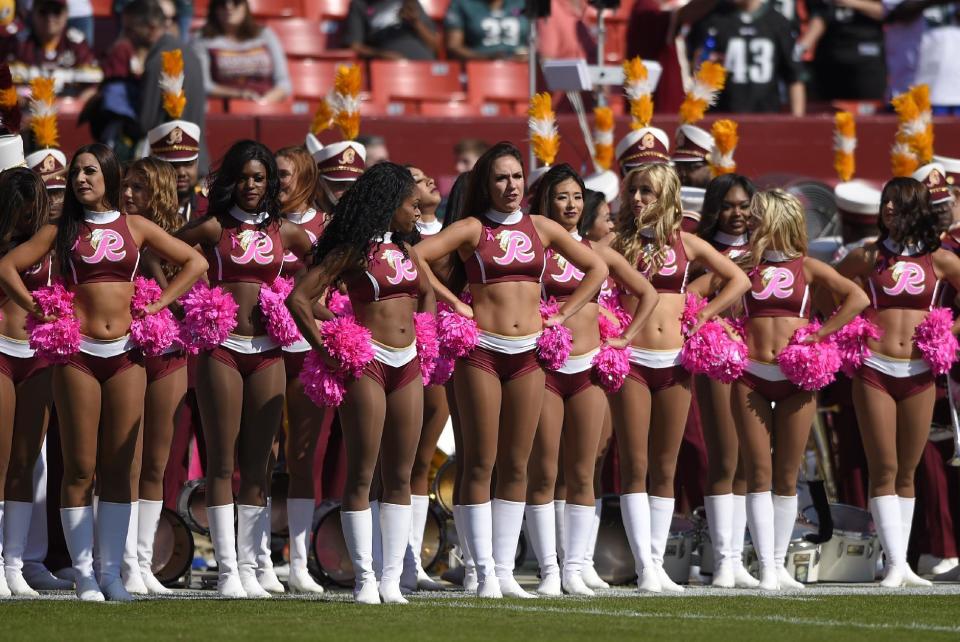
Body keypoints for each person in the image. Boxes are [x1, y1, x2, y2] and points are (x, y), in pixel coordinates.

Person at [0, 143, 206, 602]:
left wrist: (158, 303)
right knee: (79, 467)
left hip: (127, 353)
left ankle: (111, 572)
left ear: (109, 176)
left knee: (119, 464)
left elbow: (196, 262)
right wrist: (38, 309)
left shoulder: (135, 225)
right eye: (76, 173)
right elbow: (7, 268)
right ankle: (84, 573)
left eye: (90, 171)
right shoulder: (62, 229)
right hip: (79, 354)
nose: (81, 180)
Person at [415, 142, 608, 598]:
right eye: (501, 178)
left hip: (529, 354)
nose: (511, 186)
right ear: (487, 182)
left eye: (517, 177)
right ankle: (480, 572)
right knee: (480, 461)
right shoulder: (469, 227)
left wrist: (561, 314)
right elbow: (418, 255)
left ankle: (502, 570)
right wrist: (457, 302)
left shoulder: (540, 226)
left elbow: (597, 269)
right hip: (481, 349)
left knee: (517, 465)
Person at [287, 162, 434, 604]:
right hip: (368, 363)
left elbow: (424, 293)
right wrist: (329, 347)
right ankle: (365, 579)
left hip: (407, 364)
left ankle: (392, 579)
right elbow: (299, 298)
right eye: (412, 205)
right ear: (390, 206)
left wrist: (422, 332)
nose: (418, 212)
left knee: (401, 475)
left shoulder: (408, 249)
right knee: (362, 474)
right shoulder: (353, 250)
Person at [174, 140, 311, 599]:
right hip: (222, 349)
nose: (251, 186)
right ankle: (229, 570)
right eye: (244, 177)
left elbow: (325, 268)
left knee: (261, 464)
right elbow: (157, 253)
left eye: (260, 177)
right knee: (221, 459)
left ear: (270, 181)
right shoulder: (213, 227)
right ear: (230, 180)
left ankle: (254, 566)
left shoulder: (286, 232)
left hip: (269, 349)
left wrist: (307, 305)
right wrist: (179, 304)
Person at [609, 162, 749, 593]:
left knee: (665, 466)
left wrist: (704, 313)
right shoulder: (616, 243)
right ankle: (646, 566)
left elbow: (738, 279)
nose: (636, 200)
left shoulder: (687, 244)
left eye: (646, 192)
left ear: (666, 196)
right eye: (634, 191)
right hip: (632, 360)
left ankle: (657, 562)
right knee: (635, 463)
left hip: (675, 362)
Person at [524, 164, 658, 596]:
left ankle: (575, 568)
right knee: (545, 472)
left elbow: (649, 294)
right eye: (562, 197)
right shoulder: (534, 251)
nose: (571, 205)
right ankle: (547, 569)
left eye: (577, 197)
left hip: (589, 368)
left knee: (584, 473)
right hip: (544, 369)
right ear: (547, 202)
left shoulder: (599, 252)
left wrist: (623, 339)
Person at [730, 189, 867, 590]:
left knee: (787, 474)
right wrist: (725, 333)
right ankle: (766, 569)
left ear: (775, 220)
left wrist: (821, 334)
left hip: (796, 378)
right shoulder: (743, 267)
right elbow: (699, 298)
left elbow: (856, 298)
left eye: (756, 216)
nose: (749, 222)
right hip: (751, 375)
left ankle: (777, 563)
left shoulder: (806, 267)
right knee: (758, 471)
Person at [837, 177, 960, 587]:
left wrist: (947, 331)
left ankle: (903, 564)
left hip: (920, 372)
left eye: (899, 202)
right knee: (884, 465)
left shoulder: (940, 260)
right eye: (886, 201)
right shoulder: (867, 256)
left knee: (908, 468)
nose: (889, 208)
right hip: (875, 368)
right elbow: (830, 288)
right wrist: (850, 327)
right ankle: (893, 562)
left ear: (917, 209)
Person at [116, 157, 187, 596]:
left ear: (158, 191)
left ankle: (143, 564)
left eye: (138, 188)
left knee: (157, 461)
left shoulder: (177, 233)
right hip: (128, 353)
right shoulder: (121, 235)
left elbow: (187, 296)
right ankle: (121, 561)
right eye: (125, 186)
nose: (127, 195)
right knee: (128, 458)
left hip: (172, 351)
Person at [691, 173, 757, 588]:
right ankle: (721, 558)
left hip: (759, 360)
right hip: (714, 354)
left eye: (743, 205)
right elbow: (689, 301)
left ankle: (738, 557)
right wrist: (718, 319)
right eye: (729, 206)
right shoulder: (704, 253)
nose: (737, 214)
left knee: (751, 458)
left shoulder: (766, 250)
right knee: (724, 456)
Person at [275, 145, 330, 595]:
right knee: (253, 456)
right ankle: (251, 561)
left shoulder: (326, 227)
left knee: (302, 456)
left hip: (307, 347)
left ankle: (298, 560)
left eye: (285, 175)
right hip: (262, 347)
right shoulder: (257, 222)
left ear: (307, 177)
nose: (277, 183)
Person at [0, 169, 55, 598]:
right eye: (17, 213)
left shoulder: (51, 241)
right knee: (1, 461)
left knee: (26, 459)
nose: (24, 222)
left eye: (30, 212)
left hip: (37, 357)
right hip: (1, 351)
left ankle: (16, 564)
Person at [399, 165, 448, 592]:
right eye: (418, 178)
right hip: (400, 351)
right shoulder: (400, 237)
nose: (429, 180)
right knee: (401, 457)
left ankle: (412, 561)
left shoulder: (452, 228)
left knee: (423, 457)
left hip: (441, 351)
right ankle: (393, 560)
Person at [691, 0, 806, 115]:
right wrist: (706, 64)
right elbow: (697, 70)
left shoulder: (778, 23)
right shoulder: (715, 20)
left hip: (766, 118)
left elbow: (794, 77)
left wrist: (798, 122)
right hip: (724, 119)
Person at [192, 0, 291, 103]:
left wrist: (264, 102)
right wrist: (239, 95)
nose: (229, 7)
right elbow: (203, 85)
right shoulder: (202, 39)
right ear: (214, 8)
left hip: (267, 106)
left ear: (245, 6)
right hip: (223, 109)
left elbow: (283, 83)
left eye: (236, 1)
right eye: (222, 2)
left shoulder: (265, 34)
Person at [11, 0, 103, 101]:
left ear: (66, 14)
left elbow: (94, 87)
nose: (49, 18)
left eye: (56, 11)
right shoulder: (19, 44)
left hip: (69, 112)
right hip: (28, 112)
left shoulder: (78, 44)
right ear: (33, 13)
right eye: (43, 11)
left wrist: (78, 105)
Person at [801, 0, 886, 101]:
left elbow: (888, 11)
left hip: (866, 58)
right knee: (825, 112)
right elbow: (819, 15)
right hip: (829, 57)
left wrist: (851, 2)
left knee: (869, 110)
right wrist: (802, 46)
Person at [344, 0, 439, 60]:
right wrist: (380, 55)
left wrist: (416, 22)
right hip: (388, 69)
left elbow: (436, 46)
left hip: (425, 65)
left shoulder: (410, 2)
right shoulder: (359, 4)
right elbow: (354, 46)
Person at [444, 0, 530, 60]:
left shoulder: (523, 3)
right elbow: (453, 46)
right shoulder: (462, 3)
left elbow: (538, 42)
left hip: (522, 68)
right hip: (478, 68)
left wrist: (528, 56)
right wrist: (485, 58)